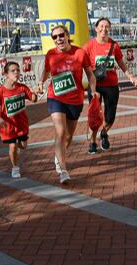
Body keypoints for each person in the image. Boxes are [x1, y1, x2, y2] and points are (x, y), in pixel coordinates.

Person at [37, 25, 96, 184]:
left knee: (68, 136)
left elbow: (90, 74)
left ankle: (59, 156)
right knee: (61, 132)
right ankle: (63, 170)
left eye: (61, 35)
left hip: (75, 99)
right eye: (54, 37)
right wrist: (41, 82)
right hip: (55, 97)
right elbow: (46, 71)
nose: (58, 39)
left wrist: (93, 90)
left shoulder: (79, 53)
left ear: (67, 35)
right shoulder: (51, 54)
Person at [83, 17, 137, 153]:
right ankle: (92, 142)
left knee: (110, 117)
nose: (104, 29)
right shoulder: (89, 46)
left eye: (107, 26)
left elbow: (121, 63)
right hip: (95, 85)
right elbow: (82, 65)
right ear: (96, 28)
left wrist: (130, 76)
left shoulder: (114, 45)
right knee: (94, 116)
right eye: (101, 26)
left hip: (111, 85)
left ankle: (104, 133)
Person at [0, 61, 38, 178]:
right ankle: (15, 168)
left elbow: (33, 99)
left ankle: (19, 146)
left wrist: (36, 92)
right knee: (12, 146)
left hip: (22, 124)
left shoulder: (22, 87)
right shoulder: (1, 91)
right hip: (8, 126)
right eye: (13, 71)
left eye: (18, 70)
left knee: (23, 145)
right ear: (6, 74)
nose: (16, 72)